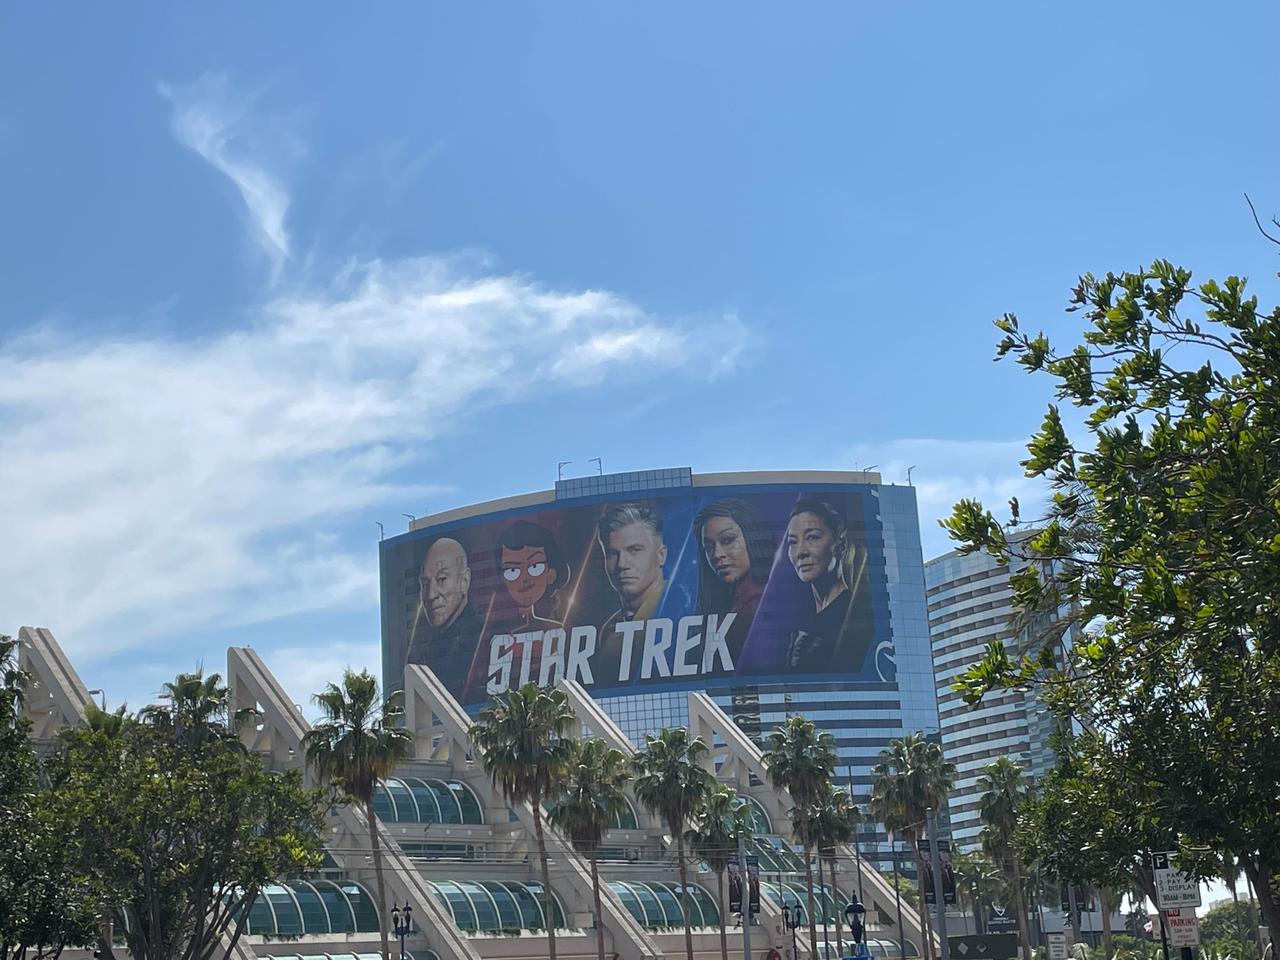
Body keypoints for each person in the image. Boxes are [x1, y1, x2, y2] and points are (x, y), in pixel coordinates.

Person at [782, 498, 871, 673]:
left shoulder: (855, 618)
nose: (800, 552)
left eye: (812, 537)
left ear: (840, 545)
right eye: (793, 542)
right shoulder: (801, 619)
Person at [482, 520, 570, 689]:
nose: (524, 579)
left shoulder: (563, 626)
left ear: (551, 573)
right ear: (503, 580)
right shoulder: (498, 634)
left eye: (534, 567)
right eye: (512, 571)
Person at [693, 498, 775, 664]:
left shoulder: (759, 608)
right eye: (708, 547)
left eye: (728, 540)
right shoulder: (723, 605)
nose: (717, 555)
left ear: (752, 537)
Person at [595, 501, 667, 683]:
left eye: (634, 550)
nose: (621, 564)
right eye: (612, 554)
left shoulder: (679, 608)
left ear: (661, 555)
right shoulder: (609, 629)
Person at [405, 537, 482, 689]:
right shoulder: (420, 650)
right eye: (425, 584)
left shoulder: (482, 638)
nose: (431, 594)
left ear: (464, 581)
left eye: (442, 579)